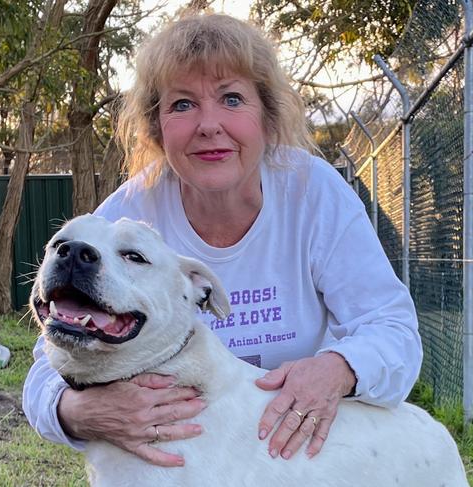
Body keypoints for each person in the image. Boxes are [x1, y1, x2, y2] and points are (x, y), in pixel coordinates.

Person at [23, 13, 422, 468]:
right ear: (157, 129)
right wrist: (76, 411)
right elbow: (45, 364)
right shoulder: (122, 220)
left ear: (268, 120)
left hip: (298, 457)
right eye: (182, 105)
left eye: (231, 98)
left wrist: (338, 369)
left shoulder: (313, 191)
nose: (209, 124)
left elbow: (393, 330)